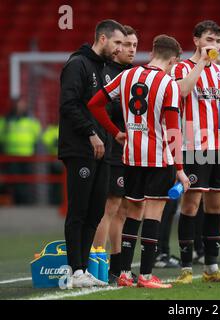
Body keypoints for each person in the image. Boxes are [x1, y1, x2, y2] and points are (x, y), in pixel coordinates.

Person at [88, 34, 190, 289]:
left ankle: (124, 272)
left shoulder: (126, 76)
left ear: (152, 52)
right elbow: (174, 131)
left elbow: (94, 104)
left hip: (131, 157)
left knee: (132, 214)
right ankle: (145, 275)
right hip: (159, 159)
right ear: (175, 60)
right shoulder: (169, 84)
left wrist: (116, 132)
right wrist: (179, 169)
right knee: (153, 216)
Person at [171, 20, 220, 284]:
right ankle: (186, 269)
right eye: (210, 40)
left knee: (217, 206)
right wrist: (202, 61)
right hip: (193, 147)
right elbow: (182, 91)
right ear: (196, 40)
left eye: (218, 41)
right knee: (191, 205)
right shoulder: (181, 67)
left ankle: (212, 268)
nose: (214, 45)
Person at [59, 19, 126, 288]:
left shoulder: (106, 70)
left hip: (103, 150)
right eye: (118, 42)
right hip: (79, 148)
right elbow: (68, 104)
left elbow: (107, 110)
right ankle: (75, 270)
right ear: (102, 39)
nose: (120, 48)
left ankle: (83, 269)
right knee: (79, 209)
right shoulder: (78, 65)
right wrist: (90, 132)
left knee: (96, 210)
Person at [91, 25, 138, 283]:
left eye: (134, 46)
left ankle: (117, 266)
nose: (130, 49)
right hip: (110, 147)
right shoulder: (105, 72)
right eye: (125, 44)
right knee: (108, 207)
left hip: (129, 150)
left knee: (123, 209)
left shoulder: (132, 74)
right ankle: (97, 264)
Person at [0, 97, 41, 204]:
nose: (21, 107)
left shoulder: (31, 121)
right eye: (19, 105)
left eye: (23, 105)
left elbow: (38, 135)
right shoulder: (6, 121)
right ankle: (18, 202)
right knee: (15, 181)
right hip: (11, 156)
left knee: (26, 181)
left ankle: (24, 202)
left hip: (27, 156)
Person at [42, 122, 63, 205]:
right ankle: (55, 201)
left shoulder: (65, 128)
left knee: (61, 183)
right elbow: (45, 140)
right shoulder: (51, 130)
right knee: (54, 183)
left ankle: (60, 200)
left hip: (63, 160)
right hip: (53, 159)